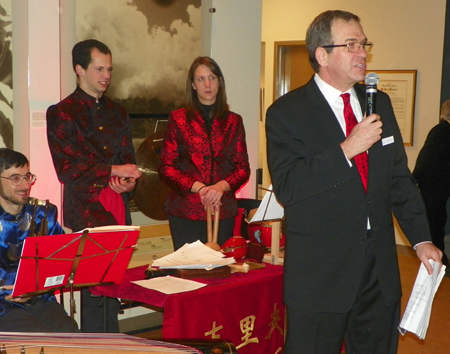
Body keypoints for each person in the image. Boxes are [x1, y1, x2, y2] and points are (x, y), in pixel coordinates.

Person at [265, 10, 443, 354]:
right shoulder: (287, 112)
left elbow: (398, 181)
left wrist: (421, 239)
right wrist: (346, 149)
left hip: (378, 271)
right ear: (322, 55)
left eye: (364, 44)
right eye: (351, 45)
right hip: (320, 274)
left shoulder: (380, 104)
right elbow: (289, 185)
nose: (362, 53)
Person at [46, 39, 141, 333]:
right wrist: (114, 170)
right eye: (99, 69)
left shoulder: (118, 112)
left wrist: (127, 184)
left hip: (117, 212)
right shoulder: (61, 112)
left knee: (113, 295)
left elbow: (130, 162)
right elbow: (67, 170)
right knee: (92, 295)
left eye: (109, 69)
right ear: (79, 69)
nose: (106, 76)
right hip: (85, 214)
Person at [159, 56, 250, 250]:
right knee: (189, 275)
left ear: (219, 82)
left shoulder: (234, 121)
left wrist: (219, 187)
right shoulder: (179, 119)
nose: (207, 84)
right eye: (200, 79)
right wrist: (199, 188)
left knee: (221, 275)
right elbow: (166, 167)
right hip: (185, 211)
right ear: (193, 84)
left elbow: (242, 168)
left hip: (222, 211)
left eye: (212, 77)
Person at [0, 148, 78, 332]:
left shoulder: (43, 214)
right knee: (39, 341)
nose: (25, 185)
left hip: (39, 299)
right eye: (15, 178)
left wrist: (36, 288)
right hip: (3, 306)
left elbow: (62, 261)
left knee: (71, 333)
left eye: (27, 177)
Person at [413, 100, 450, 272]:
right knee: (435, 225)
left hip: (436, 188)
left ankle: (440, 261)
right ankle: (438, 262)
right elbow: (425, 161)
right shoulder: (442, 131)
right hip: (433, 189)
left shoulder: (442, 131)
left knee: (437, 224)